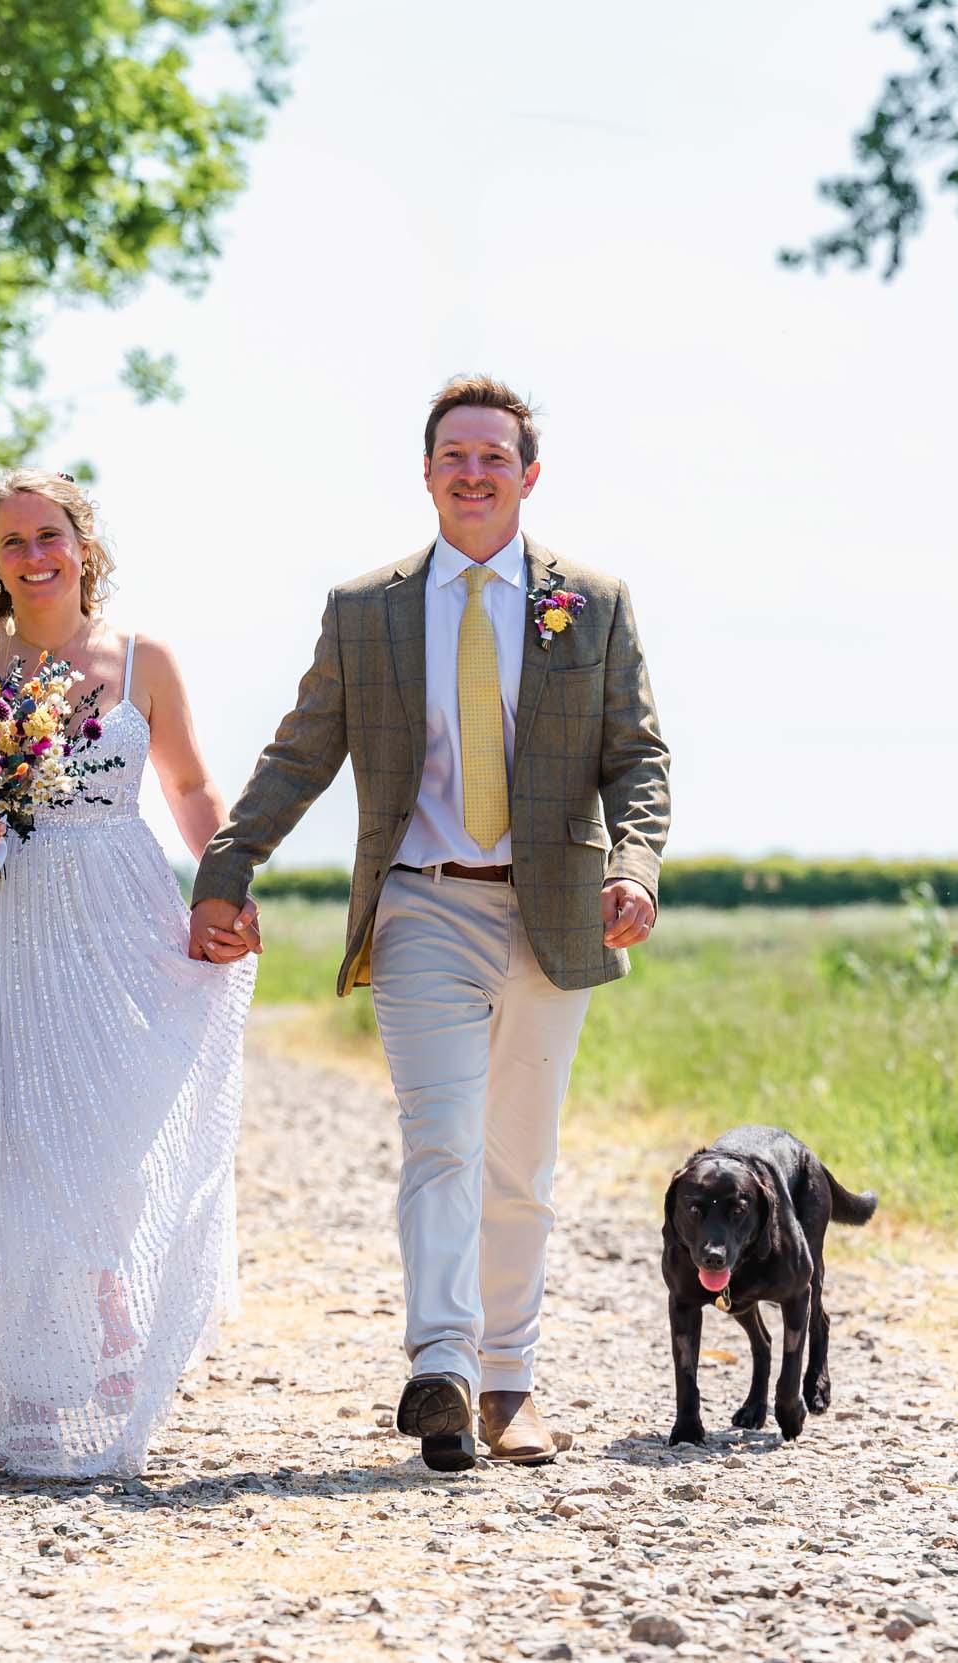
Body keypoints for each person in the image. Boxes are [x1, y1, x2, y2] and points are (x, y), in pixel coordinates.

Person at [190, 376, 670, 1471]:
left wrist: (635, 864)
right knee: (441, 1143)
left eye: (493, 456)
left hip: (553, 911)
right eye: (453, 454)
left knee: (520, 1163)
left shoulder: (588, 602)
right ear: (425, 472)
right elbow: (303, 750)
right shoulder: (367, 610)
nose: (472, 472)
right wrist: (229, 861)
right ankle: (441, 1371)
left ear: (528, 475)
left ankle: (511, 1384)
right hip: (419, 904)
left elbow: (637, 756)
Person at [0, 468, 260, 1478]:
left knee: (113, 1117)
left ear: (82, 544)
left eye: (49, 534)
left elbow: (188, 784)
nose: (34, 555)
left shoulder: (144, 659)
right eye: (12, 541)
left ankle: (109, 1297)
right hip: (1, 912)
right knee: (15, 1137)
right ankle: (29, 1362)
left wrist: (225, 883)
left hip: (120, 908)